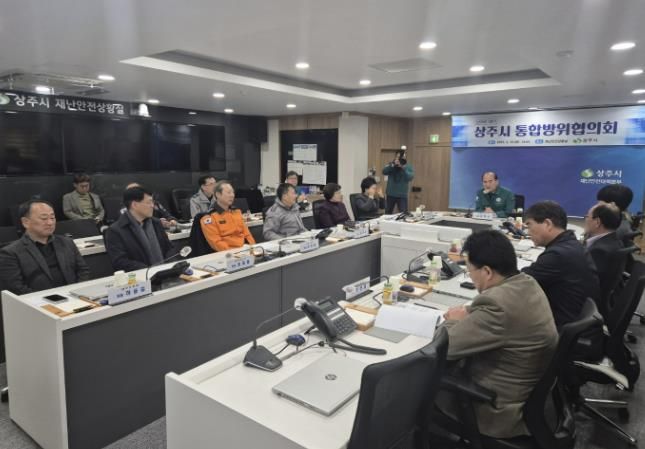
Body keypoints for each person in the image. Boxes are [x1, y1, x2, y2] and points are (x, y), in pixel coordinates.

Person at [436, 230, 558, 439]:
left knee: (418, 384)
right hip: (530, 397)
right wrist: (470, 314)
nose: (469, 275)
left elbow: (445, 348)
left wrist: (452, 321)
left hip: (496, 409)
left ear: (487, 272)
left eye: (469, 270)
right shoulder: (526, 282)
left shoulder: (497, 305)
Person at [522, 200, 599, 328]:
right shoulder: (570, 243)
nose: (527, 232)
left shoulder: (557, 255)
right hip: (572, 316)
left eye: (529, 225)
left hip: (558, 324)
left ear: (547, 224)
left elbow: (520, 281)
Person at [0, 200, 90, 295]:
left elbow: (83, 270)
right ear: (25, 222)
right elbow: (15, 288)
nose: (50, 222)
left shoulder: (66, 242)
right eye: (44, 218)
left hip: (74, 297)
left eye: (52, 218)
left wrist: (78, 293)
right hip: (37, 301)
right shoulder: (10, 253)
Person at [105, 187, 174, 272]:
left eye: (152, 202)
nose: (152, 206)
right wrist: (149, 271)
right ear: (134, 205)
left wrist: (171, 266)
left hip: (165, 273)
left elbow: (169, 248)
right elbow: (120, 262)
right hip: (140, 276)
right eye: (148, 202)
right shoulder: (115, 231)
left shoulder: (156, 223)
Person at [584, 201, 624, 311]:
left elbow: (585, 284)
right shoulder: (616, 242)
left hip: (590, 307)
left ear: (597, 222)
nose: (586, 220)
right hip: (605, 301)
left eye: (587, 216)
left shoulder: (599, 251)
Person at [200, 180, 256, 251]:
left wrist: (252, 247)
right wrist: (236, 252)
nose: (232, 195)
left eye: (233, 192)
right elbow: (216, 243)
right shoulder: (208, 218)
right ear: (218, 194)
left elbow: (247, 234)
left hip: (245, 249)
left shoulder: (237, 212)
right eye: (229, 192)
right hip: (227, 254)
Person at [382, 149, 414, 214]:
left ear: (405, 158)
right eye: (398, 157)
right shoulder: (391, 164)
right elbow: (384, 171)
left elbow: (410, 177)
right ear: (395, 157)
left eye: (402, 157)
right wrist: (392, 165)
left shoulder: (408, 166)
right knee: (387, 213)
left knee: (403, 214)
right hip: (390, 194)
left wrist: (403, 168)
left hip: (402, 195)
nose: (400, 159)